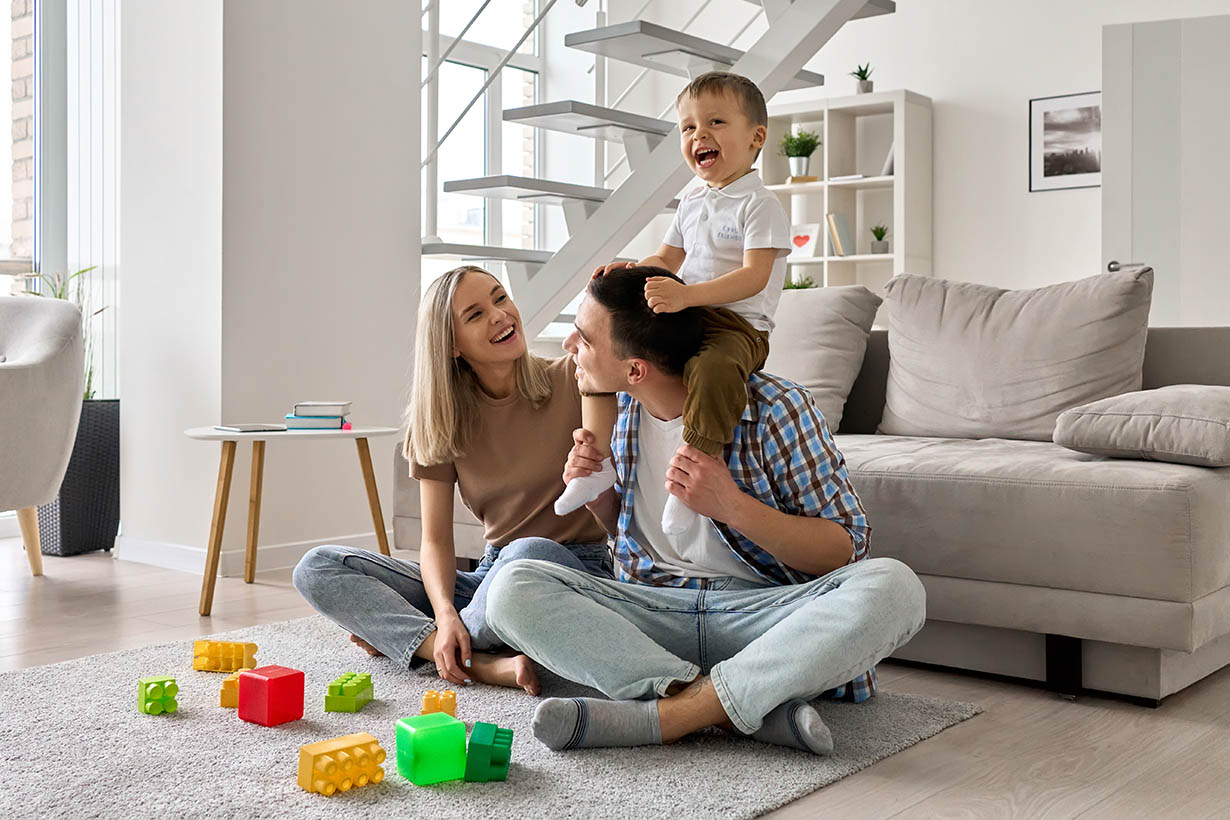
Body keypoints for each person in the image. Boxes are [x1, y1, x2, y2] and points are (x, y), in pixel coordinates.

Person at [485, 267, 926, 752]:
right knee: (511, 585)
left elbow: (845, 549)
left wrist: (732, 507)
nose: (569, 345)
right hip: (654, 615)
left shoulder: (775, 408)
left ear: (636, 370)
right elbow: (631, 537)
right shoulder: (623, 413)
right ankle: (736, 706)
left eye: (584, 338)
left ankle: (672, 715)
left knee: (895, 587)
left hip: (761, 616)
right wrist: (599, 497)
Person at [293, 265, 613, 696]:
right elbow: (436, 541)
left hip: (569, 570)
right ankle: (472, 658)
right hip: (489, 577)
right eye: (476, 314)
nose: (500, 315)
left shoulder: (575, 376)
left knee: (527, 551)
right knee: (317, 567)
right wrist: (444, 613)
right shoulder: (443, 420)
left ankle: (422, 643)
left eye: (500, 298)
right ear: (451, 345)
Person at [555, 71, 791, 538]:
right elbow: (665, 259)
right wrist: (631, 269)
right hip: (689, 314)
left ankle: (693, 474)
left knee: (711, 368)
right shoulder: (692, 200)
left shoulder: (760, 205)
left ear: (756, 137)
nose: (699, 135)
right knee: (604, 352)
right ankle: (595, 465)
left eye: (716, 122)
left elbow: (754, 277)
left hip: (737, 327)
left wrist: (686, 295)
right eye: (688, 127)